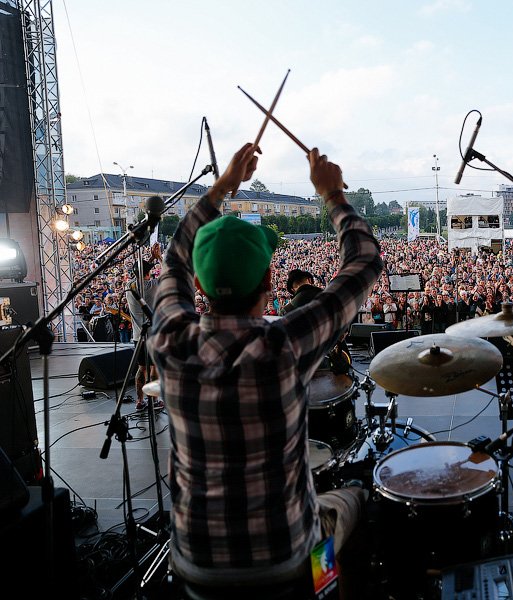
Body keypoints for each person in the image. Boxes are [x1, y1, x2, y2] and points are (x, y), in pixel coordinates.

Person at [147, 144, 382, 596]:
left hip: (196, 565)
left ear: (199, 285)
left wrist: (222, 187)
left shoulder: (171, 340)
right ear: (271, 282)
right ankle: (324, 587)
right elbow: (365, 262)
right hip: (289, 560)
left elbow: (175, 253)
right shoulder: (284, 344)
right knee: (353, 497)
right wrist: (331, 194)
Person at [127, 246, 162, 411]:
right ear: (149, 274)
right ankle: (154, 401)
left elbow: (141, 272)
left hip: (137, 336)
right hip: (153, 335)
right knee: (154, 369)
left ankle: (139, 402)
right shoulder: (153, 285)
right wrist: (159, 257)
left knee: (141, 369)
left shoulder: (130, 287)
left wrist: (150, 260)